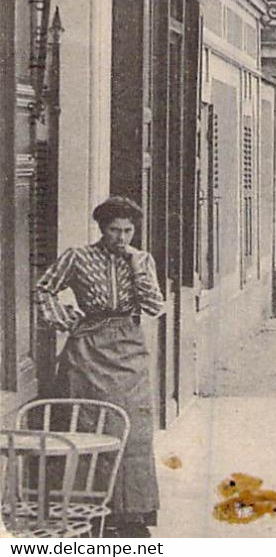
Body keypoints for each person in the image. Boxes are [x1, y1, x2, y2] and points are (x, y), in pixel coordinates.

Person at [34, 197, 163, 536]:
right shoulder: (78, 257)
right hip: (87, 349)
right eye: (115, 230)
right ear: (102, 229)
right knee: (87, 425)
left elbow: (155, 306)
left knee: (132, 431)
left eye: (128, 230)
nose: (122, 238)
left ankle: (130, 515)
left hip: (129, 350)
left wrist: (137, 268)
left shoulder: (141, 260)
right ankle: (87, 511)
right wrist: (62, 319)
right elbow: (44, 288)